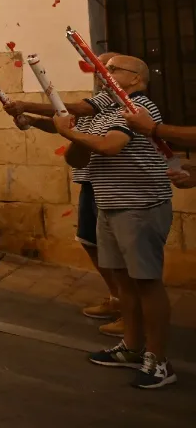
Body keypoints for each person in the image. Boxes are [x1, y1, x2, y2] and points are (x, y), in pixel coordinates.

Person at [52, 56, 176, 390]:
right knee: (123, 282)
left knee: (147, 282)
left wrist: (71, 133)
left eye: (114, 70)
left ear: (135, 78)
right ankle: (132, 347)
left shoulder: (138, 105)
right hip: (110, 204)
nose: (105, 75)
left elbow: (111, 146)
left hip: (139, 206)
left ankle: (158, 360)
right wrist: (69, 135)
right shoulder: (106, 109)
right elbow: (82, 151)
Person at [4, 52, 122, 328]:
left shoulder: (117, 99)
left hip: (113, 185)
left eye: (109, 68)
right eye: (99, 67)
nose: (101, 72)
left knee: (118, 251)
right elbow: (65, 124)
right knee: (90, 241)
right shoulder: (99, 96)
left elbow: (72, 111)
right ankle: (117, 298)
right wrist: (31, 119)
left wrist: (24, 104)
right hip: (90, 180)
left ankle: (132, 315)